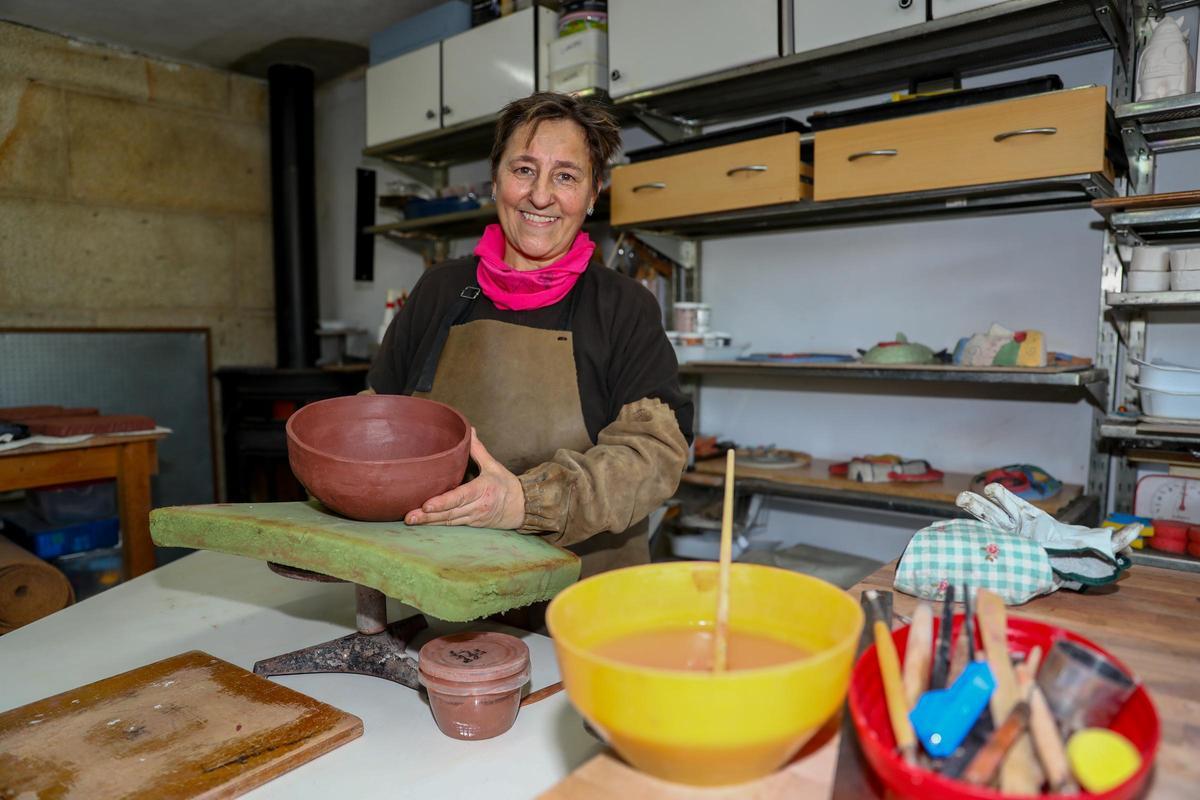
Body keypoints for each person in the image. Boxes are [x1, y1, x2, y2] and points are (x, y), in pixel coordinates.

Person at [368, 92, 693, 582]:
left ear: (593, 194)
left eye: (566, 176)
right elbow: (377, 419)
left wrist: (524, 502)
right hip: (440, 584)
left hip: (577, 592)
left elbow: (652, 455)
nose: (540, 196)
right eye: (524, 170)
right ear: (496, 180)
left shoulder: (623, 306)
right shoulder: (440, 289)